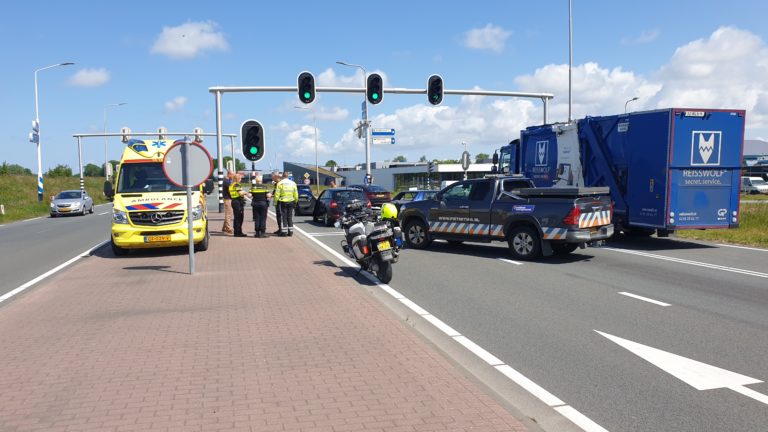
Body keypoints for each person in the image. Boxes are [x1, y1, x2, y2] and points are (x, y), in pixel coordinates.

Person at [274, 171, 298, 236]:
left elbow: (277, 194)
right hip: (291, 201)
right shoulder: (293, 183)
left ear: (283, 176)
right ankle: (290, 232)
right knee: (289, 217)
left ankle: (284, 232)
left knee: (284, 217)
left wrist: (275, 202)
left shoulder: (280, 183)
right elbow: (296, 194)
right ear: (288, 176)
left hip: (283, 201)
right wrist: (295, 201)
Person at [228, 172, 248, 237]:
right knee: (239, 217)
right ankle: (238, 232)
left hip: (234, 201)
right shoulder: (237, 185)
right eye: (240, 178)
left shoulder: (231, 185)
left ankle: (237, 231)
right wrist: (246, 192)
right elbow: (240, 193)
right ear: (237, 179)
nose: (241, 179)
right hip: (237, 202)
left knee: (236, 217)